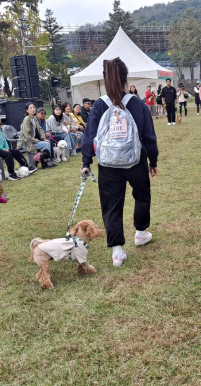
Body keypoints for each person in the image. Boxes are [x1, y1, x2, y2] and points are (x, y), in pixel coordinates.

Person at [81, 58, 159, 267]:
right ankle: (141, 233)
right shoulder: (136, 103)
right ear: (125, 78)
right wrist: (153, 160)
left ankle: (117, 252)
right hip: (135, 160)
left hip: (108, 164)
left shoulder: (99, 105)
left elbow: (89, 136)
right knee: (142, 195)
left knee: (111, 205)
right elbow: (149, 135)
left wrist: (86, 162)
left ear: (105, 79)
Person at [0, 113, 31, 180]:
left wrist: (7, 148)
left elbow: (5, 140)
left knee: (16, 152)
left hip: (3, 149)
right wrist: (4, 149)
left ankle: (26, 167)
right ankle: (11, 173)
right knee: (8, 154)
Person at [21, 103, 52, 168]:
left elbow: (40, 129)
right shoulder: (27, 119)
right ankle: (46, 162)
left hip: (33, 141)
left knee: (47, 142)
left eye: (34, 107)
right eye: (30, 108)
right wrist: (35, 140)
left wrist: (43, 138)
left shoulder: (34, 119)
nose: (33, 109)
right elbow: (26, 134)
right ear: (27, 110)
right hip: (27, 142)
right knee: (45, 144)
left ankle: (46, 162)